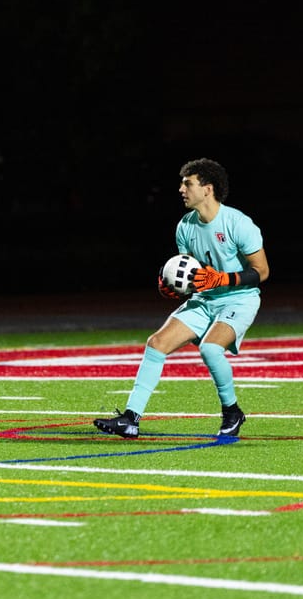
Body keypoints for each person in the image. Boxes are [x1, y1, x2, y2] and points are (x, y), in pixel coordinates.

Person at [94, 157, 269, 439]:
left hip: (239, 299)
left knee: (210, 349)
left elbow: (261, 271)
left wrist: (223, 279)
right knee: (156, 344)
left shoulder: (238, 223)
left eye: (188, 183)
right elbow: (189, 272)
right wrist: (173, 286)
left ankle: (232, 411)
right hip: (205, 299)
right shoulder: (185, 226)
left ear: (208, 189)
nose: (181, 189)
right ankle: (130, 419)